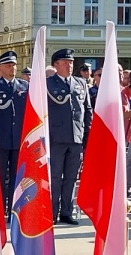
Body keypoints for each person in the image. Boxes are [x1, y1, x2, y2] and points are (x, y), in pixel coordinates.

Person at [47, 48, 92, 225]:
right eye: (66, 62)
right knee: (56, 177)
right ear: (56, 65)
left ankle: (66, 211)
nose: (70, 65)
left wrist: (86, 132)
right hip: (56, 138)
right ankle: (52, 212)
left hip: (76, 137)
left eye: (71, 62)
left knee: (72, 177)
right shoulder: (48, 83)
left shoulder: (80, 83)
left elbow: (87, 109)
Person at [0, 50, 29, 221]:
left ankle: (13, 209)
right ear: (0, 68)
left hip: (18, 140)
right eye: (8, 65)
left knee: (17, 177)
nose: (12, 68)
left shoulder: (24, 86)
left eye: (13, 65)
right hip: (0, 138)